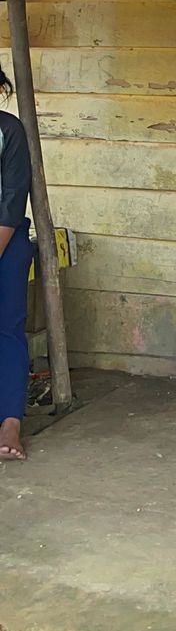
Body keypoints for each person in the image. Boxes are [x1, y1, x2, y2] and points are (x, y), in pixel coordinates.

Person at [0, 63, 32, 462]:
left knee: (7, 329)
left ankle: (10, 421)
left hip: (6, 243)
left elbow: (11, 203)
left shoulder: (9, 130)